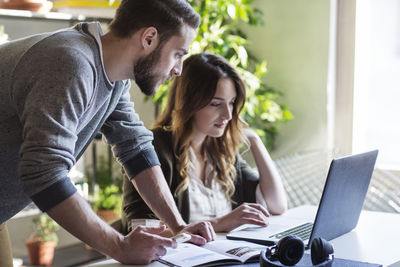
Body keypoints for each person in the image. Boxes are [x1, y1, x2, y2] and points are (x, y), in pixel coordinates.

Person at [0, 1, 217, 266]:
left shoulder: (113, 76)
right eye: (178, 54)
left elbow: (135, 148)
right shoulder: (70, 63)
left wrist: (178, 225)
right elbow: (43, 173)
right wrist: (120, 247)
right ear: (149, 38)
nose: (178, 70)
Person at [121, 53, 288, 236]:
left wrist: (254, 140)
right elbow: (140, 233)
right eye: (216, 104)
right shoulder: (153, 148)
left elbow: (277, 205)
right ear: (189, 102)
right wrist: (218, 224)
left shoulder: (220, 151)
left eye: (231, 103)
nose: (228, 115)